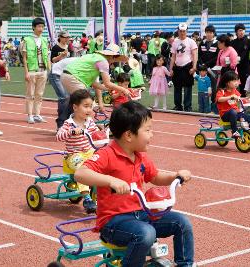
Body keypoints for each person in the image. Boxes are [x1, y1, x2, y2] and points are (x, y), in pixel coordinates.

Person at [74, 101, 195, 267]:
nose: (152, 134)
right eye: (147, 130)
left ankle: (185, 264)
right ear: (129, 135)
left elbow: (155, 176)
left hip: (140, 215)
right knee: (146, 233)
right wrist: (111, 180)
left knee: (182, 223)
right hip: (113, 223)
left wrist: (176, 175)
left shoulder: (140, 156)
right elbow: (80, 173)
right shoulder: (107, 154)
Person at [56, 89, 98, 214]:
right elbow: (58, 136)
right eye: (85, 106)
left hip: (88, 153)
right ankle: (87, 198)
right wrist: (71, 132)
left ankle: (104, 193)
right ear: (75, 107)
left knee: (104, 161)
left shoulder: (89, 122)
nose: (89, 110)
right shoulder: (69, 124)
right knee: (82, 169)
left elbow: (95, 134)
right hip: (73, 156)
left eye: (90, 106)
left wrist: (102, 132)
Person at [60, 43, 130, 112]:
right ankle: (86, 122)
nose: (112, 63)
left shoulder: (94, 57)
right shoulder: (103, 61)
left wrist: (107, 88)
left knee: (77, 103)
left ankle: (66, 121)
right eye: (114, 60)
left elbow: (93, 83)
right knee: (87, 104)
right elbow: (107, 83)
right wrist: (123, 89)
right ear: (113, 56)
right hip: (74, 78)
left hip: (66, 76)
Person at [216, 71, 250, 144]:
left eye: (237, 80)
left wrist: (248, 98)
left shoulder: (235, 91)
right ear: (227, 82)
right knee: (232, 112)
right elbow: (219, 99)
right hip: (225, 115)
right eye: (234, 81)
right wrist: (230, 97)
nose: (237, 82)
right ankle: (234, 132)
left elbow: (240, 100)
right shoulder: (222, 91)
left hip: (237, 114)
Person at [22, 17, 49, 124]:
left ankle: (37, 114)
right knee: (30, 94)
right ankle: (30, 115)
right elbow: (24, 58)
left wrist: (48, 70)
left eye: (42, 27)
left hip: (43, 70)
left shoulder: (44, 40)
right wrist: (26, 72)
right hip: (32, 70)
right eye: (39, 26)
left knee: (40, 94)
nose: (41, 29)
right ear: (33, 27)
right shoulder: (27, 40)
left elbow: (46, 55)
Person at [169, 23, 198, 112]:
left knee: (188, 87)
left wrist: (194, 67)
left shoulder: (191, 41)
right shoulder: (175, 42)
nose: (182, 33)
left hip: (187, 66)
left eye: (184, 31)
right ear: (178, 31)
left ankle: (187, 106)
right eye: (180, 31)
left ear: (187, 31)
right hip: (177, 67)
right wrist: (171, 68)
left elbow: (195, 55)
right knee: (177, 87)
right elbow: (173, 56)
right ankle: (178, 105)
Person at [230, 23, 250, 97]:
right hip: (235, 67)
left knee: (245, 84)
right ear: (236, 32)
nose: (242, 32)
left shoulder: (248, 41)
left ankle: (245, 101)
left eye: (243, 30)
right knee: (235, 84)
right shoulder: (233, 42)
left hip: (245, 67)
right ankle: (237, 100)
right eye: (240, 30)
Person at [50, 31, 71, 129]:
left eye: (68, 38)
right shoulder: (56, 47)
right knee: (64, 97)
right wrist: (61, 55)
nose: (67, 39)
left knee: (64, 99)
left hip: (66, 74)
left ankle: (64, 121)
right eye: (65, 37)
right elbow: (52, 60)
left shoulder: (69, 47)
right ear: (60, 37)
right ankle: (61, 123)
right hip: (56, 74)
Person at [198, 25, 219, 113]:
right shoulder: (202, 43)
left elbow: (217, 57)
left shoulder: (217, 43)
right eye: (207, 32)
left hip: (213, 70)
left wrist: (207, 64)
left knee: (213, 89)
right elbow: (199, 55)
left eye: (210, 32)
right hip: (203, 70)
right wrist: (202, 65)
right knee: (203, 89)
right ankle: (205, 108)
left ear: (213, 33)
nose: (209, 34)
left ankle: (214, 109)